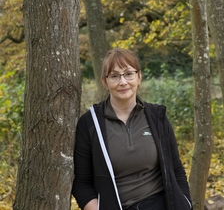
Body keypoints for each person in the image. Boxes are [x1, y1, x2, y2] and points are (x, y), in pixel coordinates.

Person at [72, 47, 193, 210]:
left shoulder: (157, 117)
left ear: (139, 76)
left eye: (129, 73)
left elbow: (176, 169)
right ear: (104, 82)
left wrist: (185, 203)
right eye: (114, 76)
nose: (123, 82)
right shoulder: (90, 123)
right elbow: (82, 184)